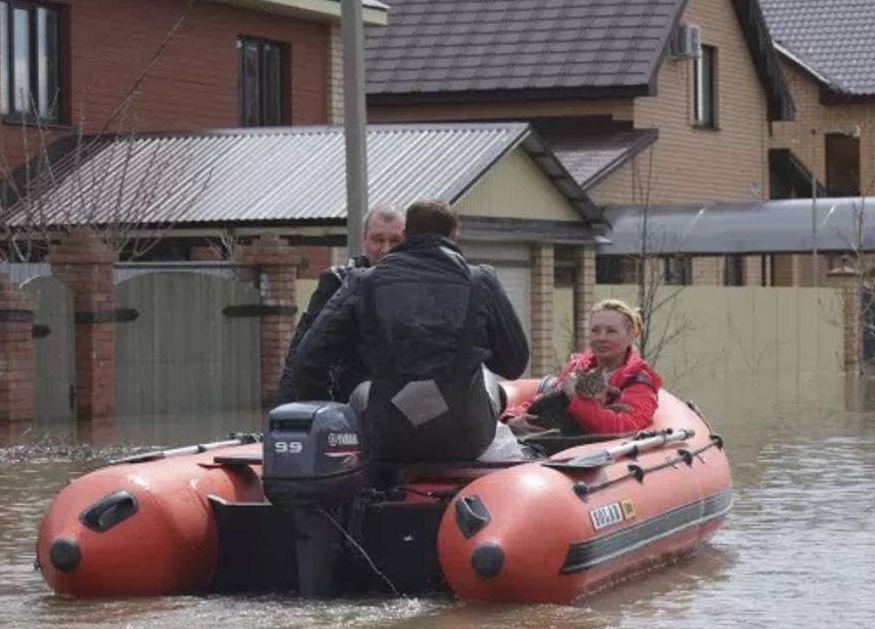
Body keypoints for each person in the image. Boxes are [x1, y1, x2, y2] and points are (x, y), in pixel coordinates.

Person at [294, 199, 529, 470]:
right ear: (455, 235)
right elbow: (514, 364)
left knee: (362, 391)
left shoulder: (364, 282)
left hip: (389, 438)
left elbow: (307, 360)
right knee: (490, 381)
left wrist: (330, 425)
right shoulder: (480, 280)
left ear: (406, 235)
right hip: (466, 436)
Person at [276, 204, 405, 404]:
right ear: (364, 241)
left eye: (395, 241)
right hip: (349, 407)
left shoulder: (421, 289)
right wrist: (285, 418)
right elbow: (301, 355)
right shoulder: (338, 283)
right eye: (378, 239)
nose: (386, 249)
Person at [504, 299, 661, 436]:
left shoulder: (638, 381)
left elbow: (624, 427)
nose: (601, 338)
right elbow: (546, 398)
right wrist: (511, 418)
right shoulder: (578, 367)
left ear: (631, 335)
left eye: (611, 331)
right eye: (595, 330)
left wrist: (575, 397)